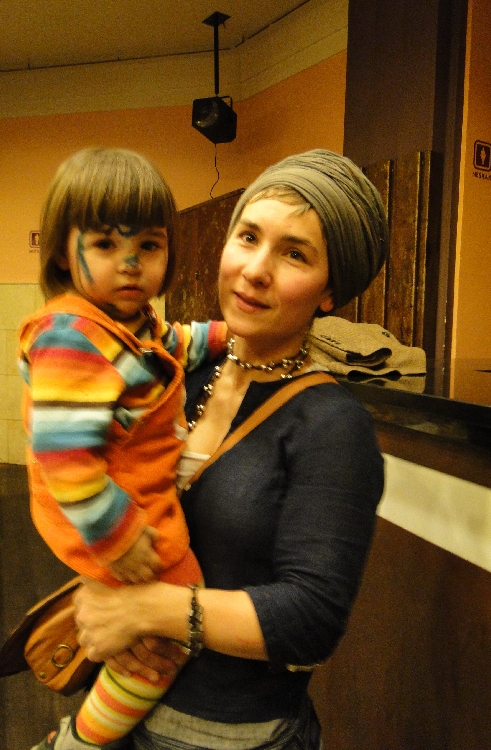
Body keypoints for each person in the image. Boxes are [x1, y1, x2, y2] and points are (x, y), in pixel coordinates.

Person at [73, 149, 389, 750]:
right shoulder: (180, 371)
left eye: (294, 254)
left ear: (329, 292)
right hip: (116, 701)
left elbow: (312, 617)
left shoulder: (332, 425)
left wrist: (149, 611)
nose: (255, 270)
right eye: (248, 237)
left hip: (226, 732)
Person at [19, 148, 226, 750]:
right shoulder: (72, 338)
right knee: (169, 634)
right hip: (109, 509)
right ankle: (80, 742)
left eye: (149, 245)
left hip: (125, 493)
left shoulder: (134, 324)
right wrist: (116, 537)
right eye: (106, 244)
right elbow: (65, 460)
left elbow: (176, 344)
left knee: (137, 621)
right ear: (64, 251)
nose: (131, 263)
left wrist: (232, 334)